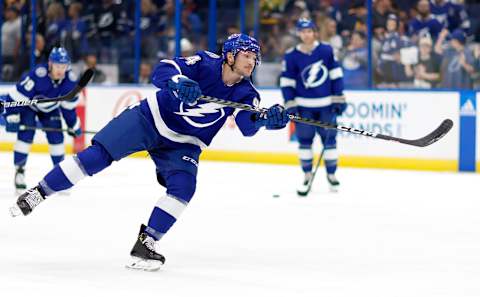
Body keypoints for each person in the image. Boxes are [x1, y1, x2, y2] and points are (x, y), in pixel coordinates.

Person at [9, 34, 289, 271]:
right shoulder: (203, 63)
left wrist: (266, 120)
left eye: (255, 57)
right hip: (150, 118)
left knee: (183, 188)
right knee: (97, 157)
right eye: (246, 55)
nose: (252, 61)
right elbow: (162, 71)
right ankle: (38, 192)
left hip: (184, 142)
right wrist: (177, 83)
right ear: (229, 55)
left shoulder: (247, 93)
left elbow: (247, 126)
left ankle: (147, 242)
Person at [279, 18, 346, 195]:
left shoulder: (326, 50)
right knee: (305, 142)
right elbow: (287, 82)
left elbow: (336, 75)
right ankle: (307, 174)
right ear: (299, 33)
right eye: (303, 31)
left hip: (326, 106)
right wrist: (290, 103)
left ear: (314, 32)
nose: (306, 34)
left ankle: (332, 175)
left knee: (330, 142)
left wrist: (338, 98)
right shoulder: (291, 55)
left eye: (309, 31)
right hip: (303, 108)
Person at [2, 47, 82, 192]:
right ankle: (19, 172)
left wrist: (73, 125)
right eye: (58, 66)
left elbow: (68, 108)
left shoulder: (70, 81)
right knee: (25, 136)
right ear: (50, 63)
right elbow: (15, 96)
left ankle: (60, 176)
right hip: (29, 108)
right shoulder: (37, 75)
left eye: (64, 66)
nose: (60, 70)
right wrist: (11, 116)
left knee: (57, 138)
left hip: (50, 110)